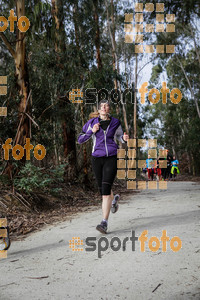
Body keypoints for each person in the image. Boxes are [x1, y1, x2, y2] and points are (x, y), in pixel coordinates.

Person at [77, 99, 129, 234]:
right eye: (102, 106)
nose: (104, 108)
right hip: (97, 158)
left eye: (106, 106)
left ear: (109, 109)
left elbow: (119, 137)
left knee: (105, 191)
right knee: (103, 190)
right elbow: (80, 139)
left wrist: (124, 139)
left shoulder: (115, 122)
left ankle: (104, 223)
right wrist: (91, 132)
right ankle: (113, 201)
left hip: (111, 157)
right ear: (99, 110)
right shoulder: (92, 123)